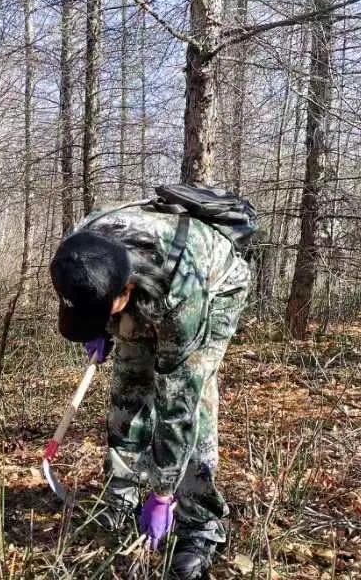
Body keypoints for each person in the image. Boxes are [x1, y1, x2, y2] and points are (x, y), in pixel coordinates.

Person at [49, 201, 250, 579]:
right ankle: (121, 496)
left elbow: (178, 408)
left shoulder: (182, 296)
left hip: (214, 285)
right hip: (139, 284)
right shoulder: (77, 250)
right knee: (128, 385)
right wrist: (97, 329)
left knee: (193, 401)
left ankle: (200, 522)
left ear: (123, 295)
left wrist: (162, 494)